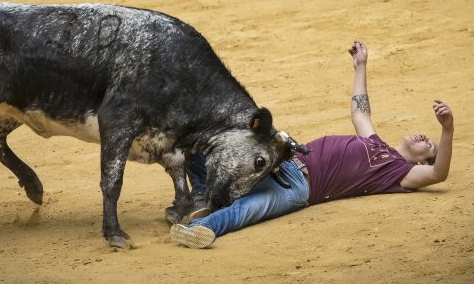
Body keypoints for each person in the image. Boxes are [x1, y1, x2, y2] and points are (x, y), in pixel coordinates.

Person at [170, 40, 455, 248]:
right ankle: (201, 197)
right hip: (281, 160)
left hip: (299, 188)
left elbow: (438, 174)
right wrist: (360, 66)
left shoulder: (396, 173)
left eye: (429, 146)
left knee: (246, 211)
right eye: (429, 139)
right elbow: (360, 111)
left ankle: (198, 229)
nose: (424, 137)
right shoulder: (375, 143)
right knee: (208, 147)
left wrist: (447, 131)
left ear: (419, 162)